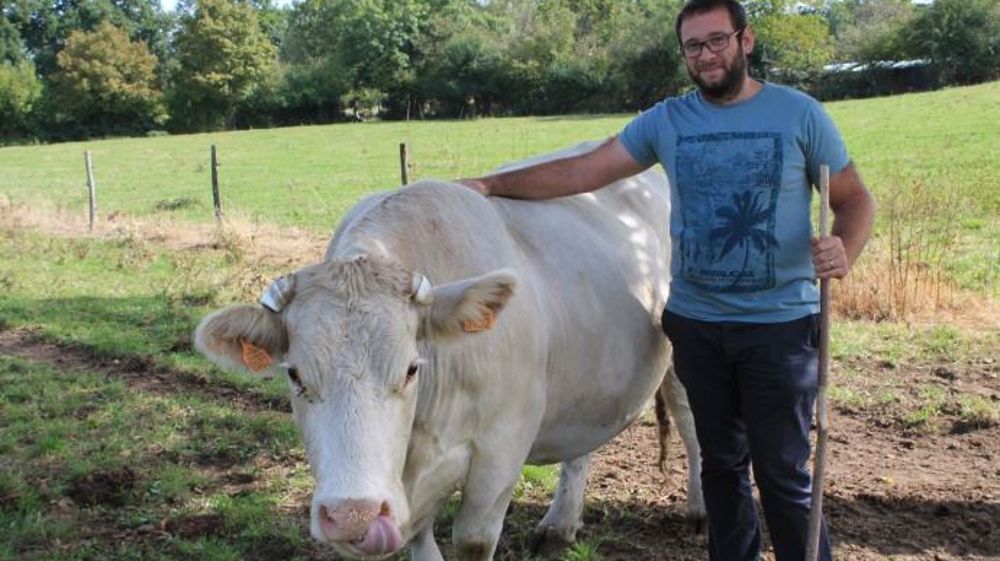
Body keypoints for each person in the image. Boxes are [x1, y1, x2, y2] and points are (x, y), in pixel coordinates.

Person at [458, 1, 876, 560]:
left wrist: (844, 249)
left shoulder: (799, 115)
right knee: (722, 467)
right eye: (693, 46)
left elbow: (854, 199)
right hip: (700, 327)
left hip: (779, 327)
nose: (705, 55)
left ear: (745, 41)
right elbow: (585, 171)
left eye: (716, 40)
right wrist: (490, 186)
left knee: (782, 474)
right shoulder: (669, 121)